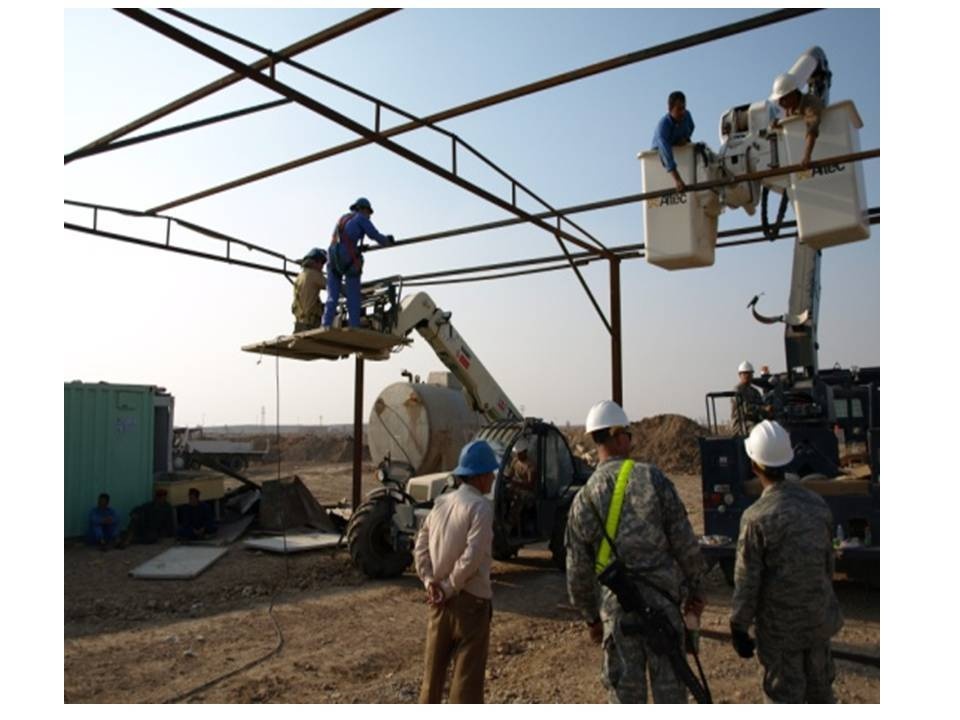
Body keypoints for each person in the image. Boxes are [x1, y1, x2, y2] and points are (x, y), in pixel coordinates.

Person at [566, 401, 705, 703]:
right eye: (627, 433)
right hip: (664, 609)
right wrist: (695, 589)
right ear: (619, 437)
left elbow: (577, 571)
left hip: (617, 616)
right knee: (671, 697)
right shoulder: (653, 479)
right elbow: (685, 544)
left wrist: (591, 618)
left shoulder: (585, 497)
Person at [730, 420, 843, 703]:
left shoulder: (756, 517)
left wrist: (739, 627)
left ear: (754, 465)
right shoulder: (818, 505)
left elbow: (747, 582)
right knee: (821, 697)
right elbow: (828, 566)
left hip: (781, 635)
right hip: (818, 625)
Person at [414, 440, 498, 704]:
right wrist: (450, 587)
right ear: (482, 476)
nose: (494, 478)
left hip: (438, 603)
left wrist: (430, 582)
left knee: (432, 679)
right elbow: (472, 557)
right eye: (492, 473)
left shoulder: (441, 503)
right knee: (466, 684)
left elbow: (420, 547)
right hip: (470, 604)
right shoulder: (481, 508)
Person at [322, 197, 395, 329]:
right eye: (369, 213)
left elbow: (342, 239)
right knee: (353, 295)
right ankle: (354, 325)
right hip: (348, 258)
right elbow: (374, 235)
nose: (369, 216)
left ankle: (326, 324)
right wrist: (387, 241)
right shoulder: (361, 218)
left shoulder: (342, 218)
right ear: (363, 209)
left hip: (332, 257)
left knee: (332, 296)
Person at [768, 48, 831, 168]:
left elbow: (811, 129)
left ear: (793, 93)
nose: (781, 103)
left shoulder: (810, 104)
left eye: (783, 99)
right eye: (779, 100)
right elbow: (794, 129)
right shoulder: (791, 109)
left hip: (824, 144)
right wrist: (780, 126)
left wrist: (807, 156)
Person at [651, 91, 695, 193]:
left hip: (682, 160)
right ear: (670, 109)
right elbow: (666, 156)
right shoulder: (663, 128)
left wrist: (685, 138)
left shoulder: (687, 116)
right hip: (659, 162)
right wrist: (678, 180)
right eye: (679, 109)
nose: (683, 112)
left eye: (684, 108)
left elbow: (691, 127)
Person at [503, 436, 537, 533]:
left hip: (528, 492)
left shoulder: (530, 465)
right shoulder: (515, 461)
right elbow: (510, 474)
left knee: (519, 499)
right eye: (517, 453)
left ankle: (509, 526)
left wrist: (515, 483)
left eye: (519, 453)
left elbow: (530, 485)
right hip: (516, 487)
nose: (517, 455)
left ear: (525, 452)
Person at [292, 247, 327, 333]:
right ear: (314, 262)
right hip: (311, 325)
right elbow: (334, 286)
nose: (322, 266)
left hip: (300, 323)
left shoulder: (300, 276)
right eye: (322, 262)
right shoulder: (314, 274)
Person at [731, 361, 765, 435]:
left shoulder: (755, 391)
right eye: (745, 373)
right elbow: (745, 408)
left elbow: (762, 405)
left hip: (755, 421)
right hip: (741, 422)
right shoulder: (737, 390)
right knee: (758, 431)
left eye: (750, 373)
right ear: (740, 375)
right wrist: (762, 408)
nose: (748, 376)